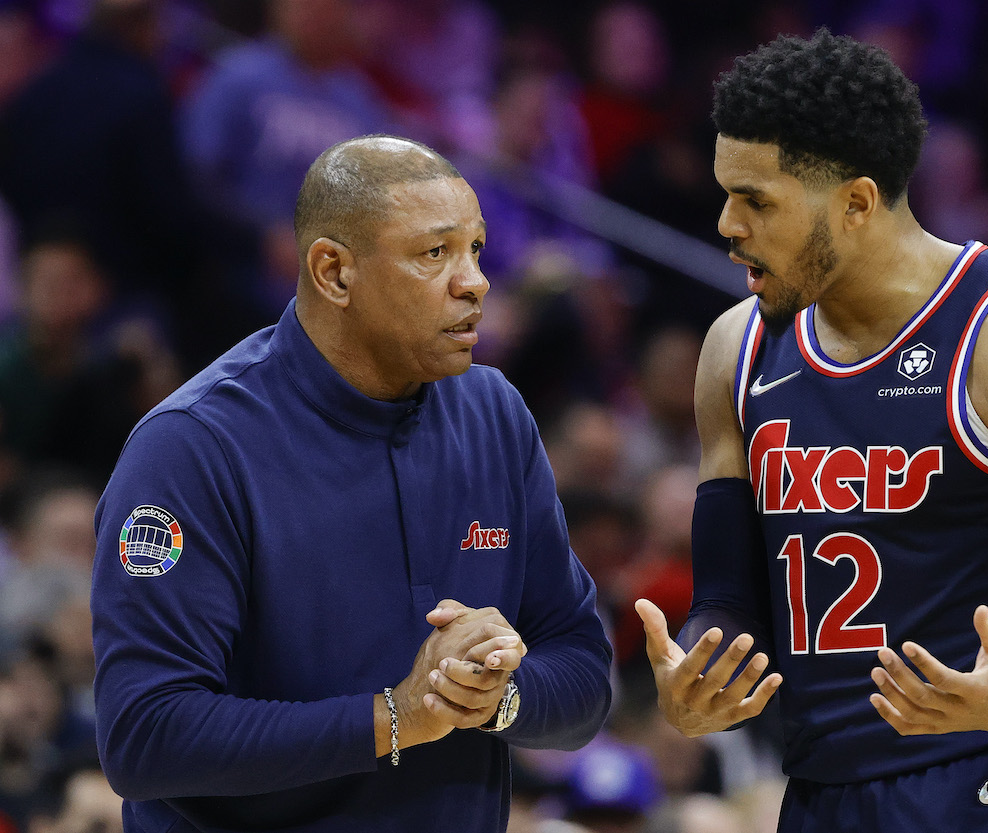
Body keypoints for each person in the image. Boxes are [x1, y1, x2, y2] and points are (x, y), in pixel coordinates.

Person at [634, 30, 988, 832]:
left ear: (857, 203)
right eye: (728, 192)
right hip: (830, 789)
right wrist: (702, 671)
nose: (727, 223)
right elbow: (728, 596)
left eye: (756, 200)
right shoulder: (737, 348)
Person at [91, 135, 613, 832]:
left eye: (477, 249)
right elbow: (145, 735)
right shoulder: (192, 446)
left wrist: (491, 697)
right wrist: (394, 717)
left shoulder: (495, 414)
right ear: (334, 272)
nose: (476, 281)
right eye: (435, 254)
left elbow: (582, 669)